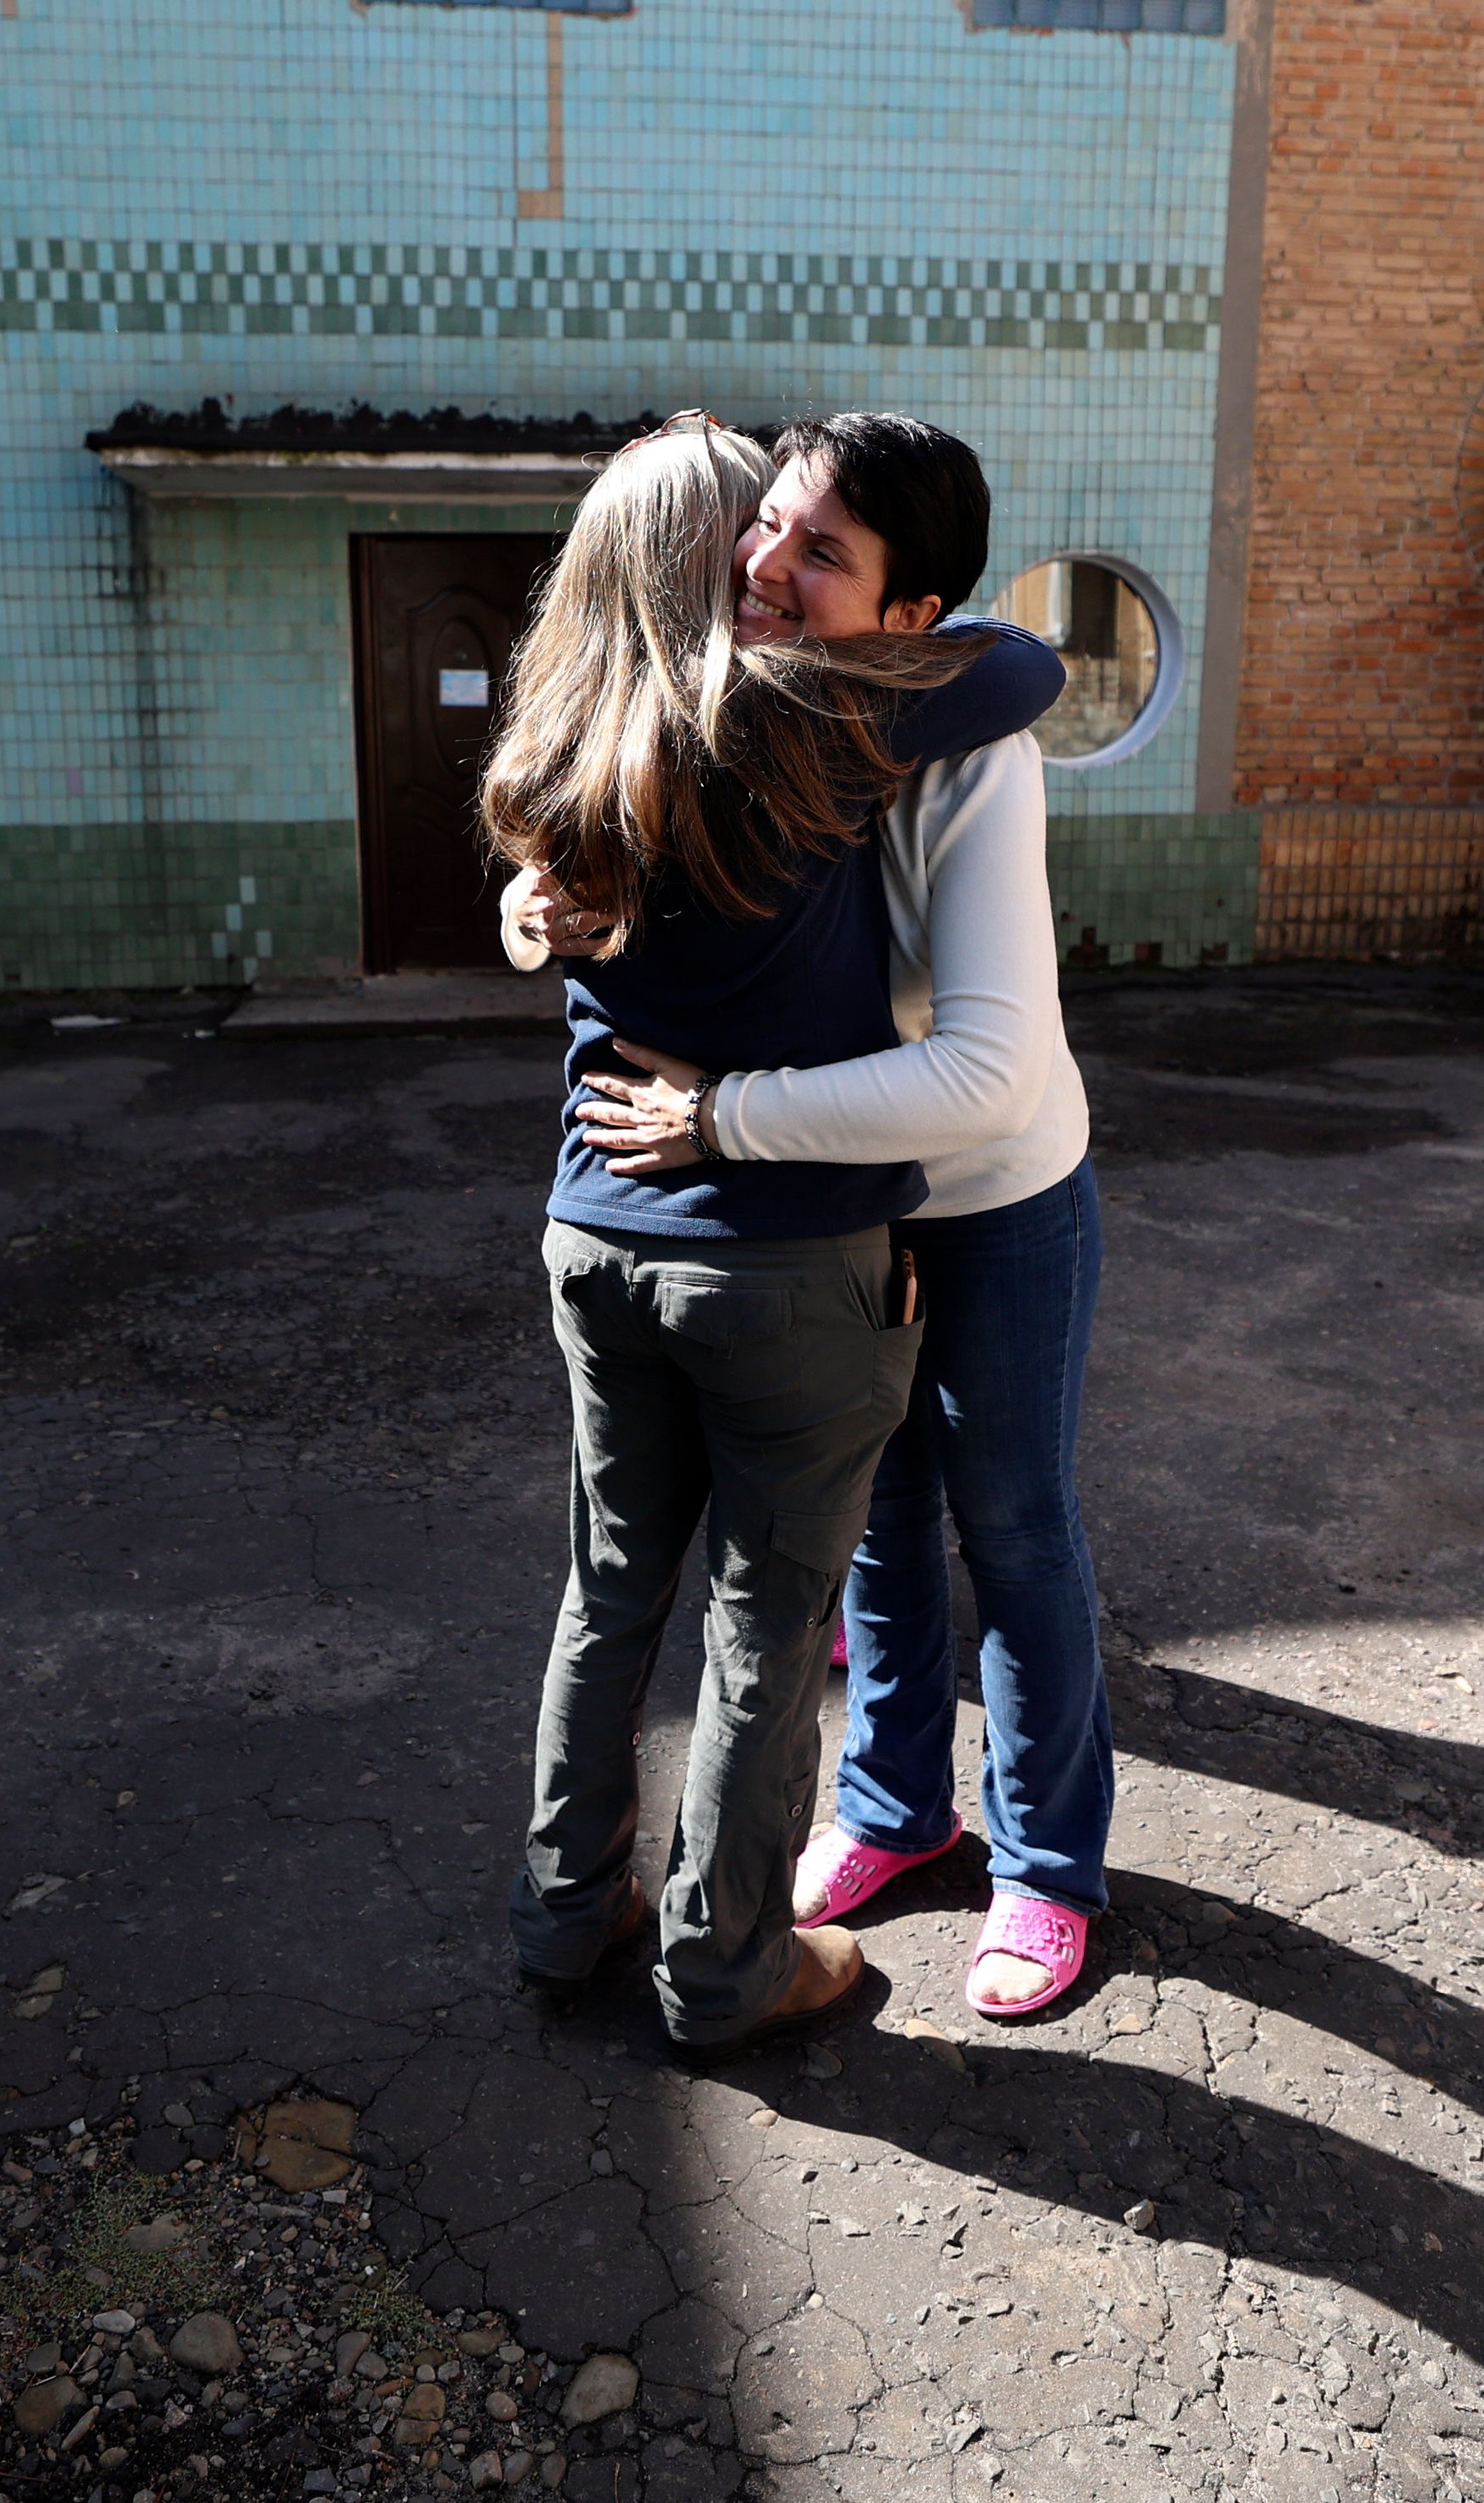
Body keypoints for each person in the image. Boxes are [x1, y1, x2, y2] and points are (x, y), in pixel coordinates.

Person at [486, 414, 1064, 2059]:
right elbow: (1023, 669)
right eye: (757, 530)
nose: (770, 560)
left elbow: (532, 910)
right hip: (779, 1255)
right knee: (761, 1621)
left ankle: (559, 1911)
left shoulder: (562, 739)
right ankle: (725, 1965)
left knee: (610, 1592)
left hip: (594, 1230)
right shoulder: (821, 716)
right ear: (706, 560)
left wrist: (530, 910)